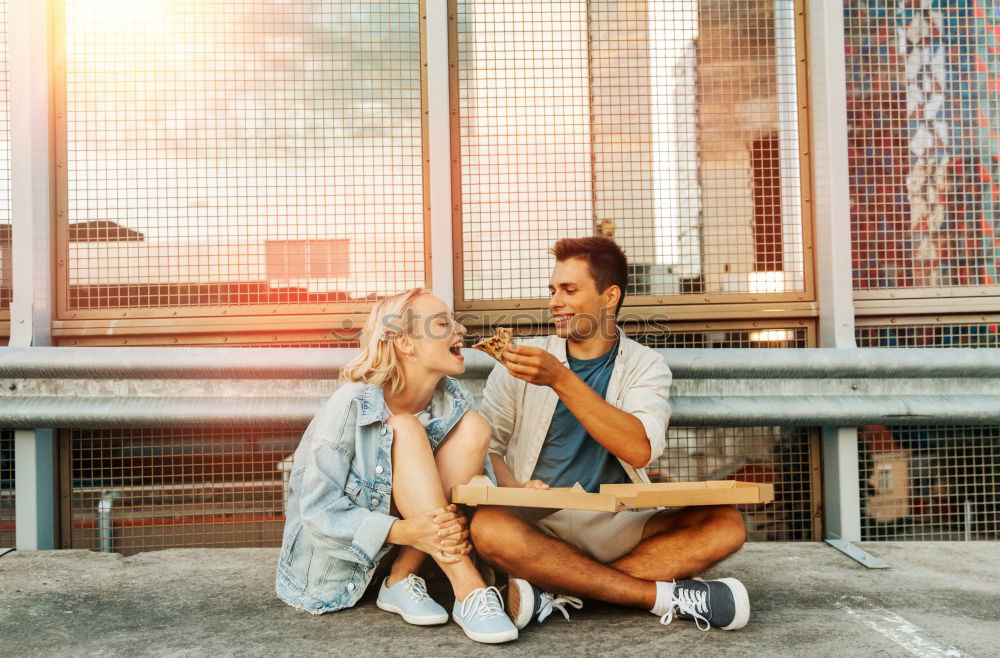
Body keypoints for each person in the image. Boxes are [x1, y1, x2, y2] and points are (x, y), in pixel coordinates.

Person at [470, 237, 750, 632]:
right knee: (488, 528)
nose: (553, 301)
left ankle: (557, 591)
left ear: (609, 295)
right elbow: (488, 449)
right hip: (536, 520)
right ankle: (659, 597)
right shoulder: (519, 362)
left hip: (618, 522)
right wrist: (517, 495)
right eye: (552, 290)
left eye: (569, 290)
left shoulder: (646, 366)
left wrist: (561, 379)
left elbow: (638, 450)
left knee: (726, 524)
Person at [275, 289, 519, 644]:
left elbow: (479, 472)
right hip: (341, 570)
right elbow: (317, 510)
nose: (461, 330)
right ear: (405, 343)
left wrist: (517, 489)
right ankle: (468, 587)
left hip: (409, 556)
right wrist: (407, 532)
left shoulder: (454, 401)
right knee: (404, 426)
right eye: (442, 323)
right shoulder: (351, 404)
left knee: (475, 427)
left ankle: (402, 578)